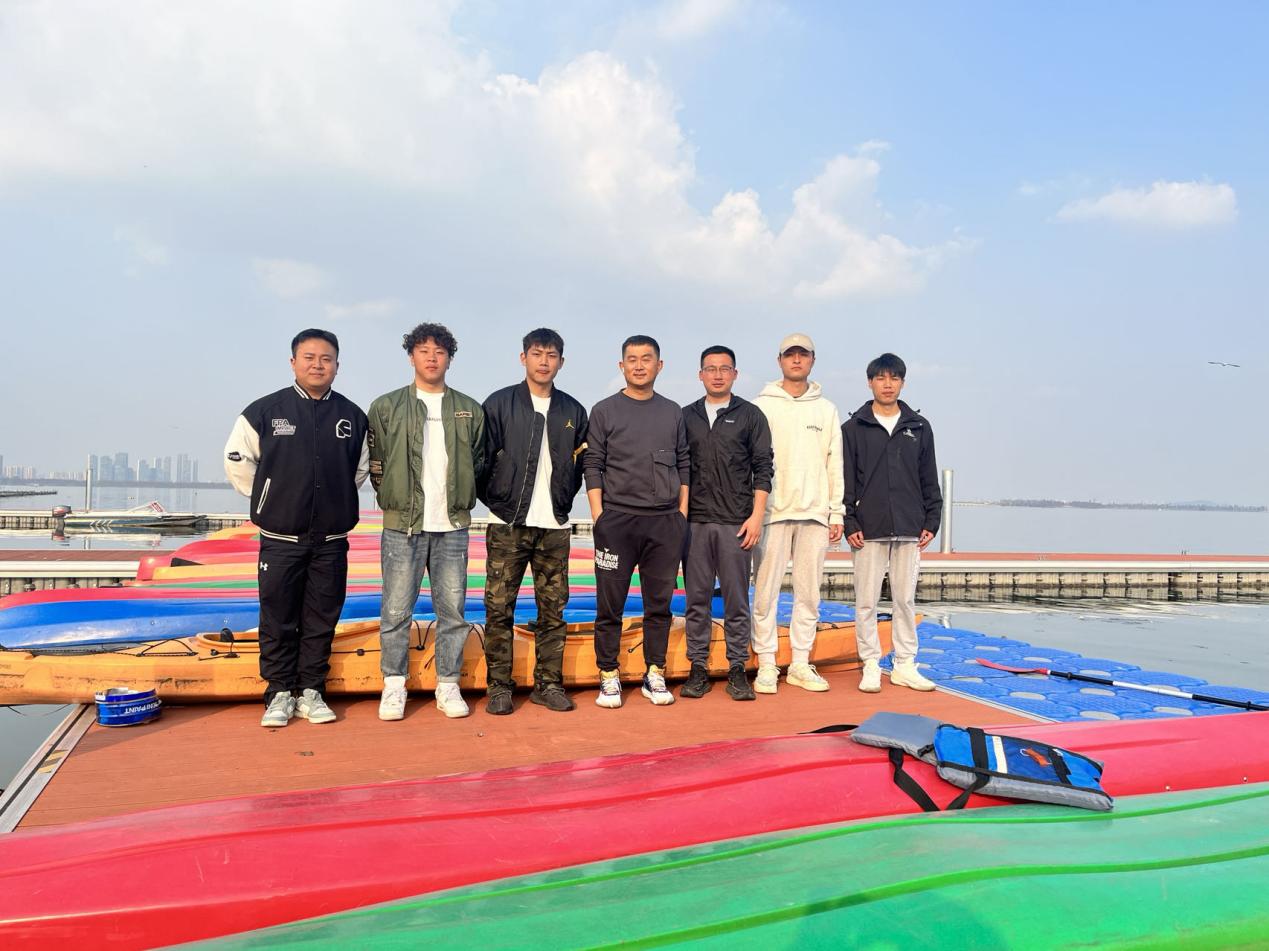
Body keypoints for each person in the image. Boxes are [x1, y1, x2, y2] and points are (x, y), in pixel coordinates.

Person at [224, 329, 369, 728]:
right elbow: (237, 459)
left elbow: (359, 470)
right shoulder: (265, 411)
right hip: (280, 538)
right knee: (278, 616)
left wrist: (335, 497)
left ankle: (311, 691)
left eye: (326, 359)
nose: (317, 365)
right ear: (293, 362)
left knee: (322, 617)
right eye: (309, 357)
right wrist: (270, 498)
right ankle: (278, 692)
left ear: (337, 365)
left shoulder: (352, 416)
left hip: (331, 539)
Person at [369, 322, 486, 721]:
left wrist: (463, 496)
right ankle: (393, 684)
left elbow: (480, 461)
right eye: (423, 351)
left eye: (440, 351)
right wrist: (395, 500)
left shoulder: (469, 408)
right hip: (402, 526)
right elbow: (377, 463)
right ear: (411, 357)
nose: (432, 358)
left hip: (452, 526)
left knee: (452, 610)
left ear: (450, 358)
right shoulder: (386, 407)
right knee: (395, 610)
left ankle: (448, 684)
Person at [478, 328, 589, 715]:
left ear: (561, 361)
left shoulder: (573, 411)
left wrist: (563, 499)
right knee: (498, 607)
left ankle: (548, 684)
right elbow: (481, 460)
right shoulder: (498, 404)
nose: (544, 361)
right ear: (523, 357)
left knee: (553, 610)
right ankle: (499, 687)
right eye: (537, 353)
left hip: (554, 526)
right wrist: (498, 500)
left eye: (551, 355)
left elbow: (581, 466)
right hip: (507, 523)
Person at [584, 335, 689, 708]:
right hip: (617, 522)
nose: (639, 365)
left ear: (660, 365)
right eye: (632, 359)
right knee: (609, 605)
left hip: (664, 523)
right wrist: (599, 516)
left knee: (658, 604)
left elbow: (684, 463)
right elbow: (592, 464)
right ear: (621, 366)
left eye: (647, 359)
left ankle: (654, 672)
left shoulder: (673, 412)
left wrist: (681, 514)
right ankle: (608, 673)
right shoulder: (604, 411)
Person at [842, 352, 942, 693]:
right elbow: (845, 479)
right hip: (867, 528)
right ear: (870, 382)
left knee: (905, 600)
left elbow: (928, 477)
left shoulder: (919, 427)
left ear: (902, 382)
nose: (888, 384)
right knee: (866, 601)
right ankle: (870, 663)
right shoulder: (853, 428)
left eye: (894, 378)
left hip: (910, 526)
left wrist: (932, 518)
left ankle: (905, 664)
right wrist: (849, 520)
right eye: (881, 378)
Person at [751, 333, 844, 694]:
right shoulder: (761, 406)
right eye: (789, 354)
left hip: (815, 513)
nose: (796, 360)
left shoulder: (827, 409)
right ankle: (767, 663)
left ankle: (801, 663)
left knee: (808, 594)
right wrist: (753, 511)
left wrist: (836, 512)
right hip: (772, 512)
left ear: (812, 360)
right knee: (765, 592)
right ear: (779, 361)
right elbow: (751, 462)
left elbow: (835, 463)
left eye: (802, 354)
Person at [680, 346, 773, 702]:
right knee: (696, 600)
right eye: (710, 368)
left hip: (736, 523)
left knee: (736, 601)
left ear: (735, 374)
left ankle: (737, 667)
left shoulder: (750, 415)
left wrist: (756, 517)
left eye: (724, 368)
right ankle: (698, 667)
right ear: (700, 374)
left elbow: (763, 468)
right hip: (696, 524)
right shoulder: (685, 416)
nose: (717, 375)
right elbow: (679, 470)